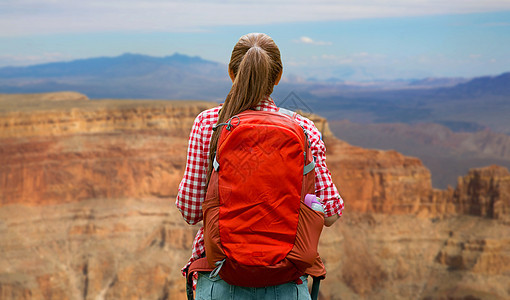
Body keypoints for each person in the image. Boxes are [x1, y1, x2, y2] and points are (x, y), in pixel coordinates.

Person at [176, 32, 344, 299]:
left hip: (221, 277)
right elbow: (331, 213)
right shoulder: (304, 129)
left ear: (232, 73)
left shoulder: (208, 124)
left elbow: (190, 211)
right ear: (277, 77)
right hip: (286, 280)